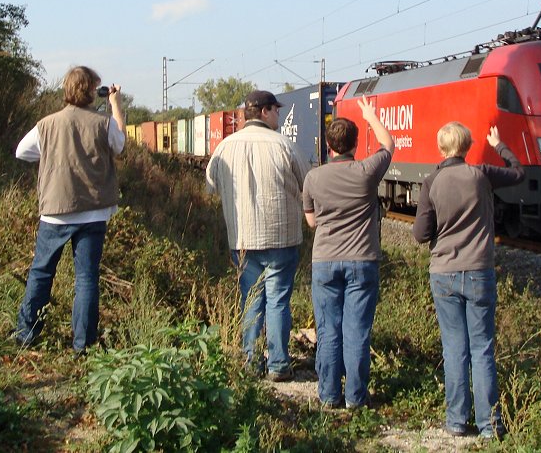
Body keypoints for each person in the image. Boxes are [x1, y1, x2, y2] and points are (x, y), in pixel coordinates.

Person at [412, 122, 523, 439]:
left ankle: (457, 422)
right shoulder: (482, 174)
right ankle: (490, 425)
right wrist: (500, 144)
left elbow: (420, 235)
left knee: (454, 348)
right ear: (469, 146)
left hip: (444, 274)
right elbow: (518, 173)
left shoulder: (431, 181)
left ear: (440, 148)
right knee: (482, 348)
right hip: (478, 271)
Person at [13, 66, 126, 352]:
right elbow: (120, 146)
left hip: (54, 210)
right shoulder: (104, 123)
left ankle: (27, 334)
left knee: (41, 271)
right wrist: (115, 106)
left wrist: (51, 153)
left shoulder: (47, 124)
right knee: (86, 277)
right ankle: (83, 345)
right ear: (91, 92)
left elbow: (22, 152)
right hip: (93, 212)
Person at [205, 90, 308, 381]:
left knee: (250, 300)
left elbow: (210, 185)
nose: (279, 115)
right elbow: (308, 184)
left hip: (242, 240)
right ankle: (278, 364)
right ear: (264, 111)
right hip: (282, 238)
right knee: (277, 301)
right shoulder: (285, 146)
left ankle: (251, 362)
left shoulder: (225, 147)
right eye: (276, 110)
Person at [302, 95, 394, 408]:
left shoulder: (314, 177)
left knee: (329, 331)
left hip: (325, 261)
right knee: (357, 331)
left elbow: (312, 222)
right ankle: (356, 398)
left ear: (329, 145)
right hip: (362, 260)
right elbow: (388, 144)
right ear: (355, 144)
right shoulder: (367, 170)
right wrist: (370, 115)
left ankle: (328, 396)